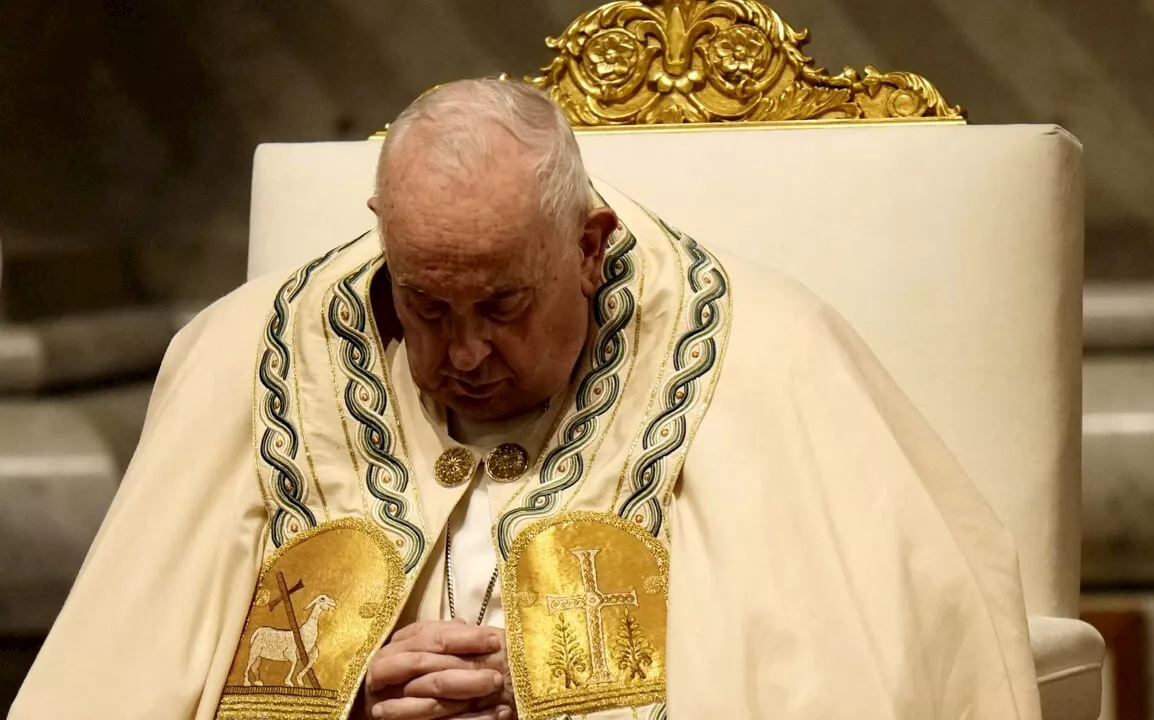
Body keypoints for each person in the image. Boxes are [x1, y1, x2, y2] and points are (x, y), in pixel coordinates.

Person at [11, 78, 1042, 720]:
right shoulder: (246, 356)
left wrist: (573, 695)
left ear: (587, 246)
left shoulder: (771, 355)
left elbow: (879, 662)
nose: (463, 350)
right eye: (424, 303)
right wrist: (344, 692)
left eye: (503, 304)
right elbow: (129, 674)